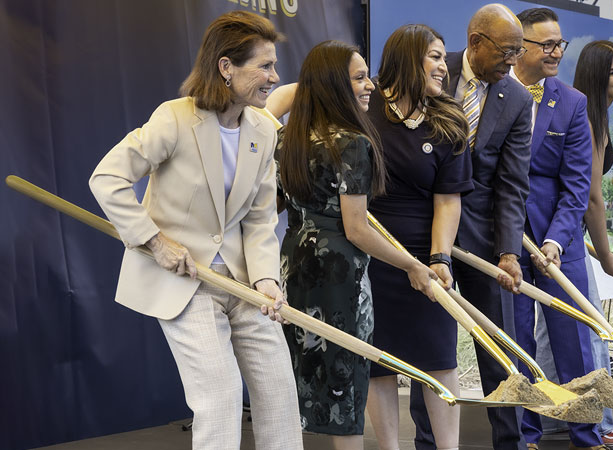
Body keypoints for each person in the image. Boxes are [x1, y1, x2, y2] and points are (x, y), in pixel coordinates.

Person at [89, 11, 302, 449]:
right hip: (187, 282)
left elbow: (260, 218)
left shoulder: (264, 129)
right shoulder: (174, 119)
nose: (274, 77)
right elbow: (106, 178)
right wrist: (154, 240)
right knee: (220, 399)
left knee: (281, 394)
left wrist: (267, 279)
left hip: (246, 285)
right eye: (264, 66)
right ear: (226, 67)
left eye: (273, 66)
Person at [276, 40, 439, 450]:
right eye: (360, 77)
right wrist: (413, 266)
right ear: (335, 84)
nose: (371, 86)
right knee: (344, 385)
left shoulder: (288, 139)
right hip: (339, 275)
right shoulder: (351, 142)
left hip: (294, 263)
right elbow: (358, 230)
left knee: (302, 377)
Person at [411, 4, 533, 450]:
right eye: (506, 51)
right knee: (429, 346)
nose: (513, 62)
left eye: (518, 52)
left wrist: (508, 252)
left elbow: (512, 183)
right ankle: (429, 443)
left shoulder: (517, 99)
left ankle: (511, 443)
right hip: (425, 236)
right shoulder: (431, 76)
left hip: (484, 239)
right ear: (476, 42)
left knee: (499, 348)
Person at [364, 24, 473, 450]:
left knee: (441, 360)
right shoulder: (365, 103)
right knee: (379, 363)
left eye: (444, 57)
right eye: (434, 56)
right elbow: (301, 93)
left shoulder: (448, 120)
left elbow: (448, 202)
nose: (444, 66)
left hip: (426, 259)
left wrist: (440, 259)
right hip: (371, 255)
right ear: (407, 58)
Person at [509, 8, 601, 450]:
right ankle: (524, 437)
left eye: (559, 44)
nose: (555, 53)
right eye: (545, 44)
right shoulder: (492, 93)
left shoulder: (571, 102)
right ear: (519, 47)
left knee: (574, 347)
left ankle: (586, 433)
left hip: (557, 244)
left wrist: (555, 241)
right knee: (516, 344)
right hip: (505, 245)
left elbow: (576, 185)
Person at [572, 40, 613, 450]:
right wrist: (606, 252)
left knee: (555, 329)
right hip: (564, 236)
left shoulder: (594, 111)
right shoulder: (590, 116)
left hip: (564, 233)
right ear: (597, 73)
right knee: (592, 330)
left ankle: (559, 417)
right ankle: (600, 425)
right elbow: (591, 196)